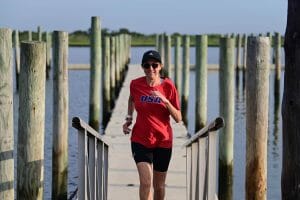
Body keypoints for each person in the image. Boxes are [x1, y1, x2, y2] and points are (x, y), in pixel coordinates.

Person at [122, 50, 182, 200]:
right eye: (147, 66)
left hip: (163, 140)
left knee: (159, 186)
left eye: (154, 65)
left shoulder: (168, 86)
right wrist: (129, 118)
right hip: (140, 139)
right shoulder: (135, 84)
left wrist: (166, 101)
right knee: (146, 182)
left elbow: (178, 118)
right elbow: (131, 99)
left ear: (160, 66)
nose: (151, 69)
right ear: (143, 67)